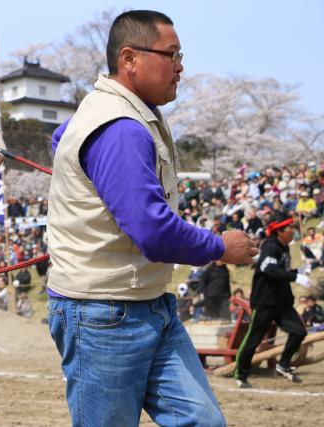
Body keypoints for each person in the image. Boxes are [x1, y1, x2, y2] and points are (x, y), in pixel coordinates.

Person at [46, 10, 257, 427]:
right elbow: (153, 230)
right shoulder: (119, 127)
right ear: (129, 58)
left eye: (181, 55)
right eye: (171, 54)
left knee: (204, 421)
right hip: (104, 314)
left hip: (148, 304)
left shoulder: (110, 110)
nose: (180, 66)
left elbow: (61, 136)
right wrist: (221, 247)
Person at [234, 211, 310, 388]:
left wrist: (298, 271)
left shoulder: (284, 248)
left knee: (299, 332)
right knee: (254, 338)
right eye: (289, 228)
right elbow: (269, 269)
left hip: (282, 302)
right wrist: (295, 278)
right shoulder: (271, 246)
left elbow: (281, 271)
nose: (293, 231)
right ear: (280, 231)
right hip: (265, 302)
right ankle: (241, 374)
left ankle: (283, 365)